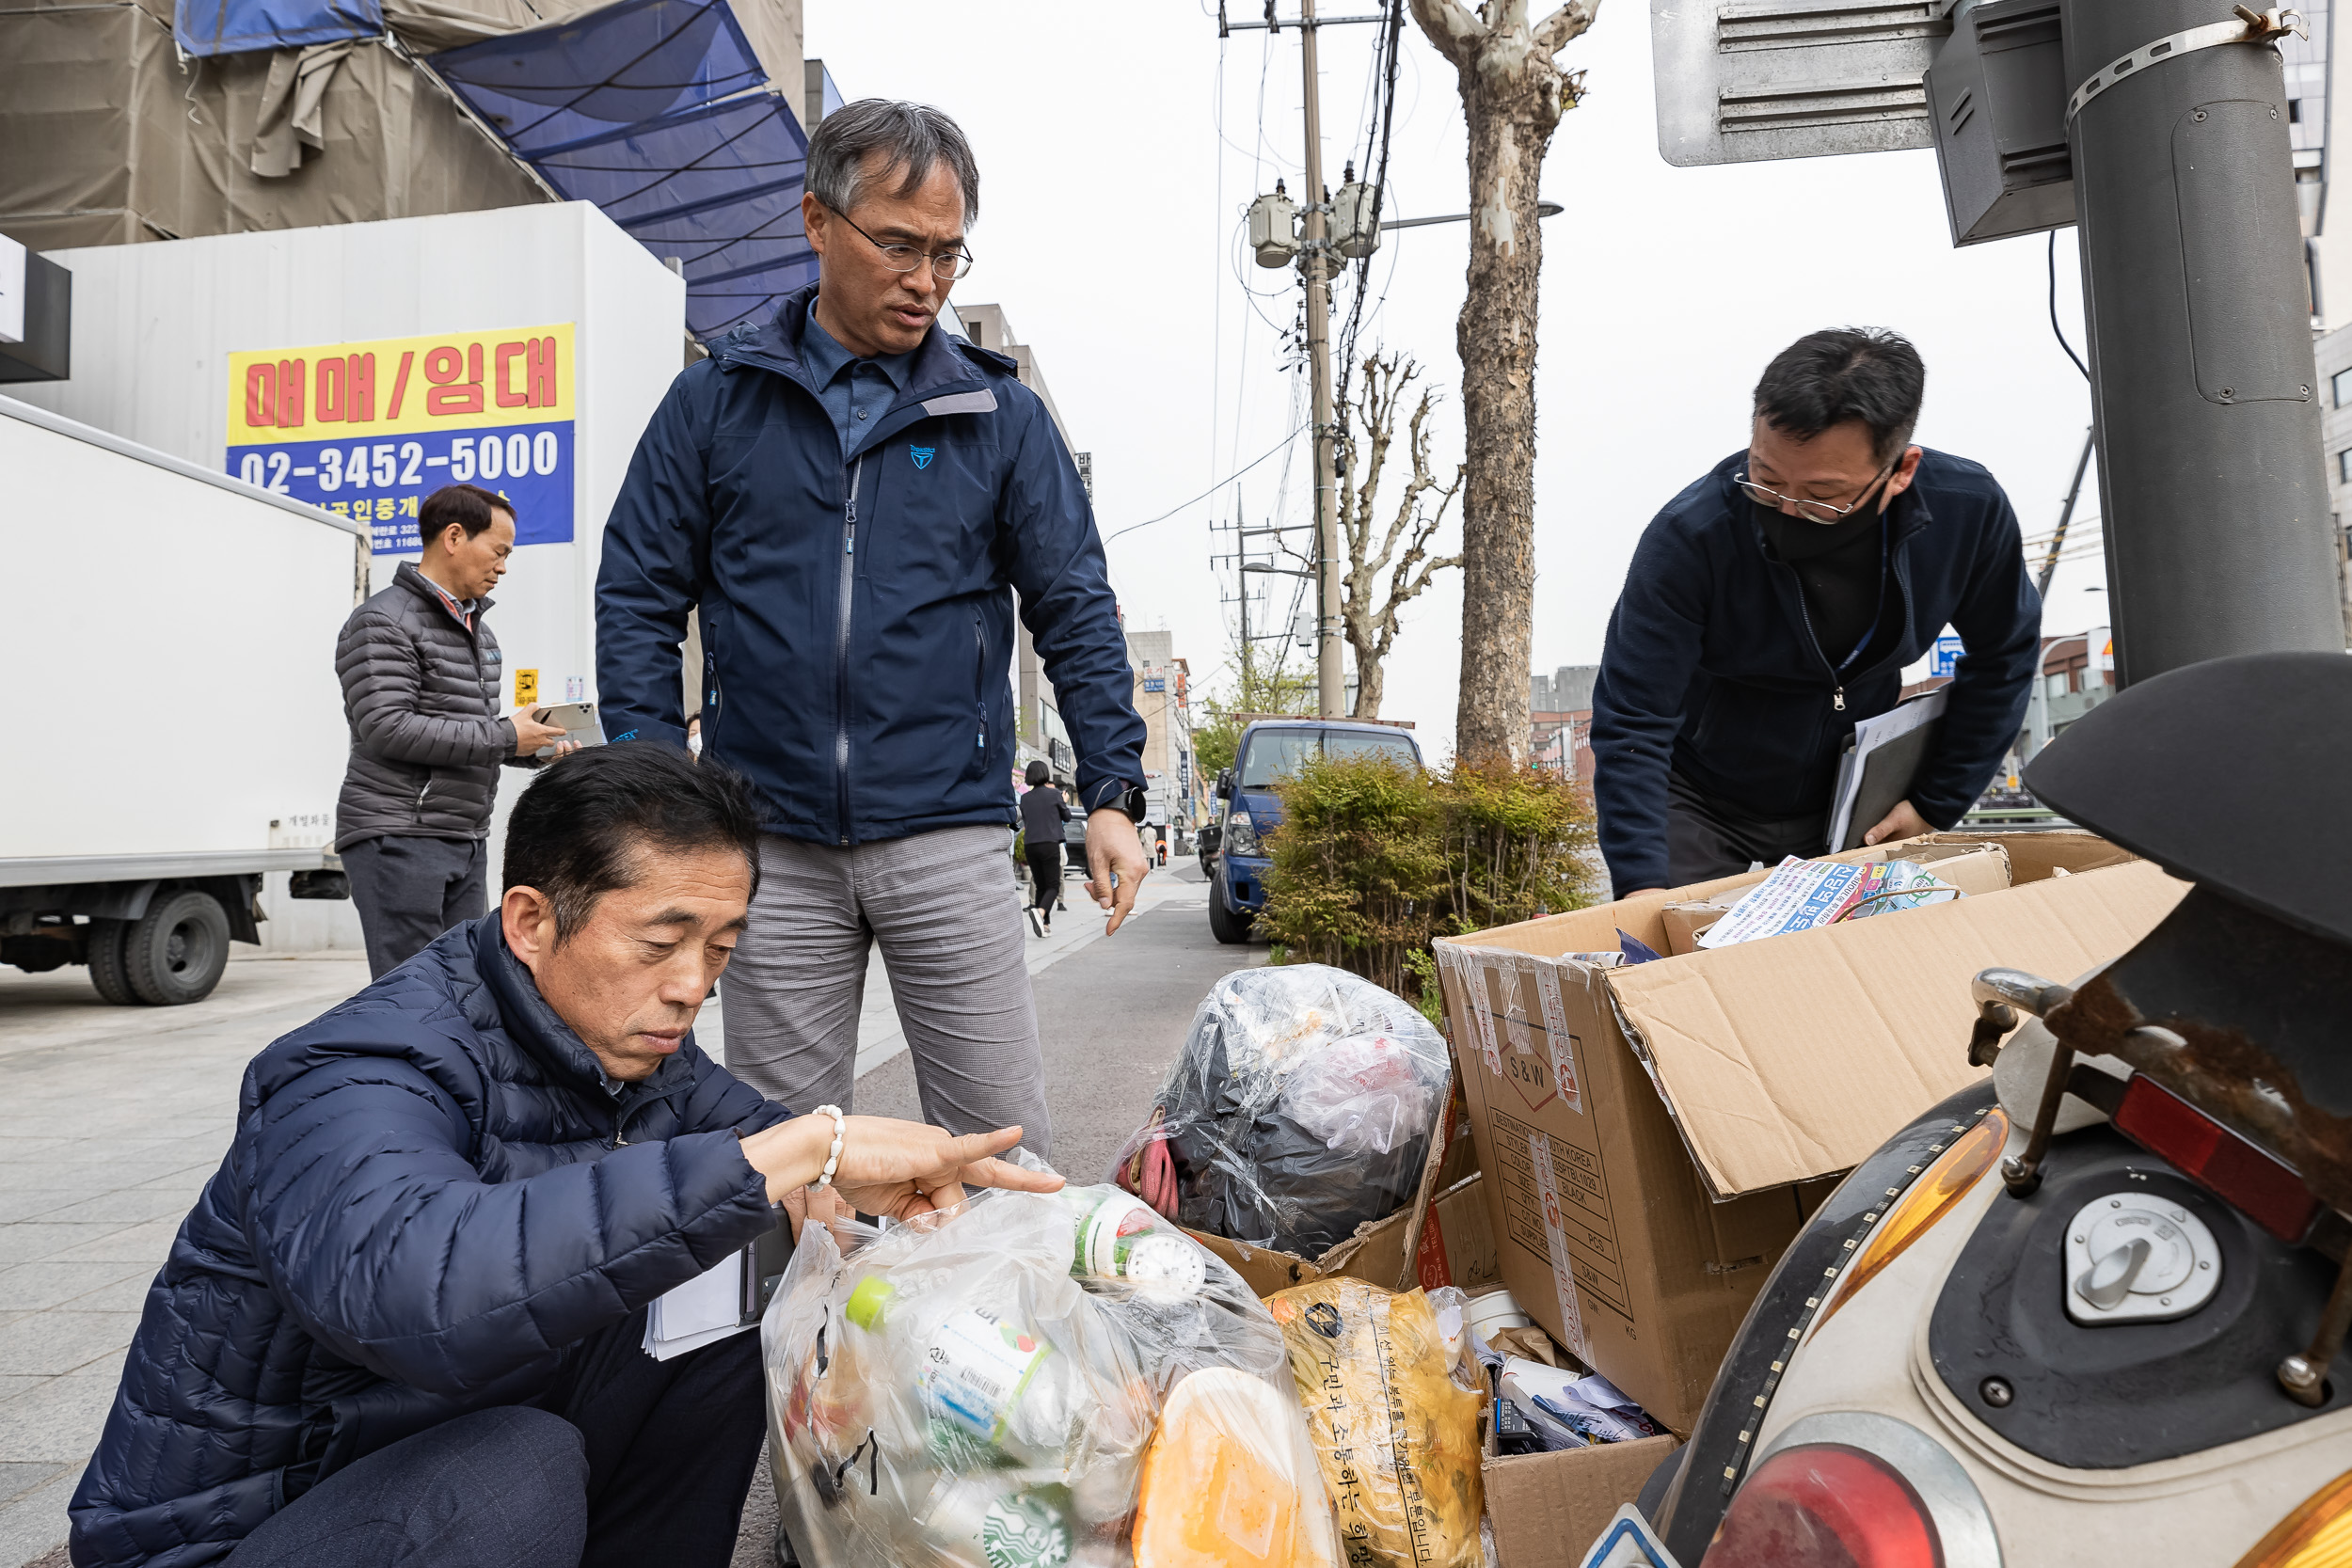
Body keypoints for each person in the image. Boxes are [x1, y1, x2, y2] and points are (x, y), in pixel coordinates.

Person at [68, 745, 1062, 1568]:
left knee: (743, 1266)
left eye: (720, 947)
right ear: (532, 919)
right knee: (519, 1467)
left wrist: (969, 1249)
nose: (691, 986)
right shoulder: (359, 1069)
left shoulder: (631, 1048)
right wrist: (797, 1147)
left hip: (420, 1451)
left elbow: (765, 1160)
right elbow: (414, 1290)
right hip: (240, 1534)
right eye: (661, 941)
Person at [595, 99, 1149, 1161]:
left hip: (946, 831)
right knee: (778, 1151)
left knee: (1001, 1142)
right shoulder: (714, 404)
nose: (927, 280)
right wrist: (656, 781)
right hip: (772, 839)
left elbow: (1074, 604)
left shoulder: (998, 417)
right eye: (899, 245)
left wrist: (1113, 793)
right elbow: (637, 597)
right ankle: (797, 1333)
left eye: (947, 252)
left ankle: (1004, 1326)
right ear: (816, 220)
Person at [1589, 328, 2039, 898]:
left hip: (1853, 794)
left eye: (1824, 497)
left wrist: (1936, 800)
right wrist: (1643, 884)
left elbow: (2006, 652)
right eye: (1768, 482)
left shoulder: (1966, 512)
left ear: (1902, 470)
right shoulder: (1692, 537)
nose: (1790, 512)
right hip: (1698, 791)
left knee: (1852, 969)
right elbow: (1633, 719)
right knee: (1679, 950)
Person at [333, 483, 571, 978]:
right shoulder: (382, 622)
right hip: (400, 834)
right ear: (455, 536)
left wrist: (535, 747)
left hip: (461, 833)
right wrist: (507, 736)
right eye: (499, 551)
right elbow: (387, 728)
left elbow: (472, 732)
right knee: (414, 990)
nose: (503, 567)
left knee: (464, 983)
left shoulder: (479, 633)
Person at [1018, 759, 1071, 936]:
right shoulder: (1054, 794)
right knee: (1053, 885)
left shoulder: (1024, 799)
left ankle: (1045, 925)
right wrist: (1064, 801)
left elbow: (1023, 820)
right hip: (1049, 843)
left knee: (1041, 885)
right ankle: (1040, 913)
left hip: (1031, 845)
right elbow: (1067, 817)